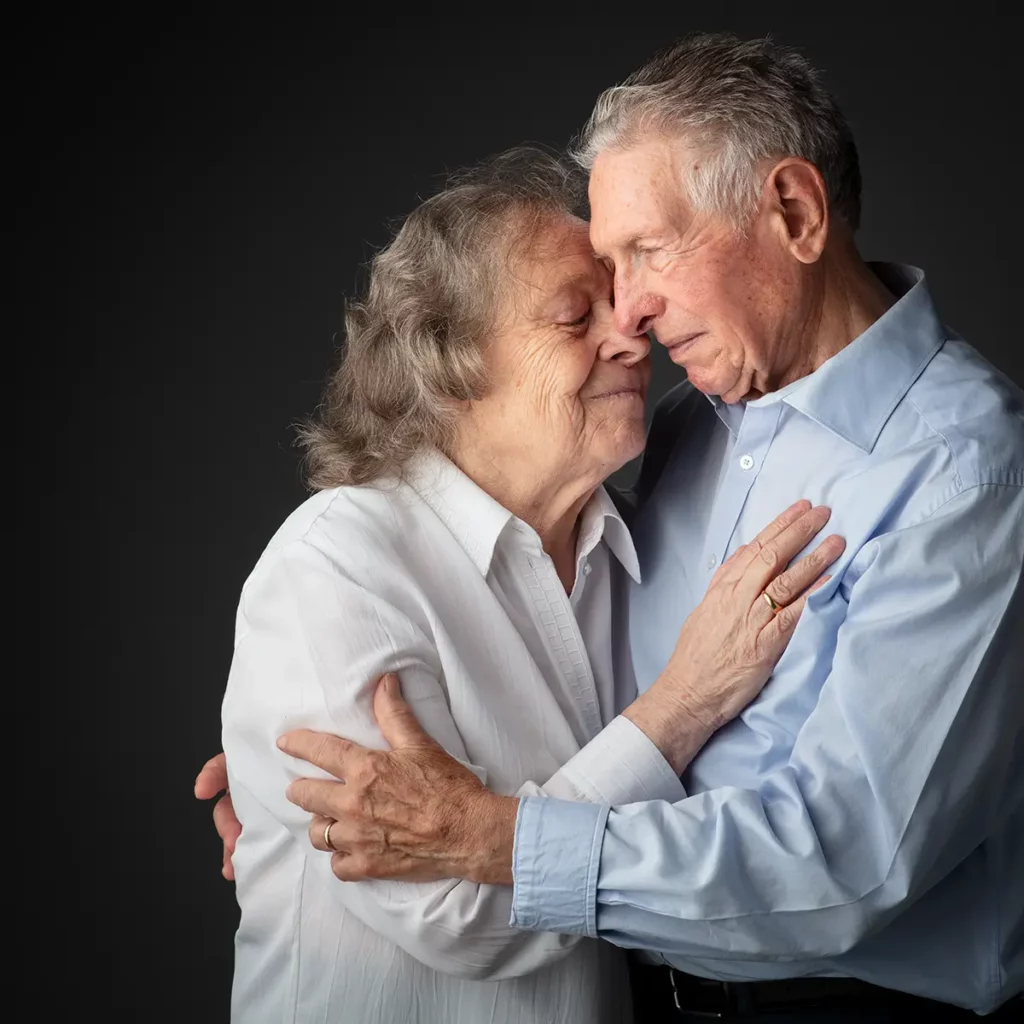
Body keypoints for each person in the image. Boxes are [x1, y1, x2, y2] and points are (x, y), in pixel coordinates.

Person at [202, 32, 1024, 1021]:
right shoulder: (678, 440)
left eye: (646, 250)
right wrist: (278, 774)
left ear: (795, 214)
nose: (630, 317)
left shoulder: (962, 470)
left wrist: (491, 837)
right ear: (453, 367)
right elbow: (543, 752)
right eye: (585, 296)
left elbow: (851, 864)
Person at [213, 147, 842, 1023]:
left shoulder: (638, 544)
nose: (631, 337)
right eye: (574, 317)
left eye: (620, 305)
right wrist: (682, 704)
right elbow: (462, 917)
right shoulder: (335, 571)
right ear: (450, 365)